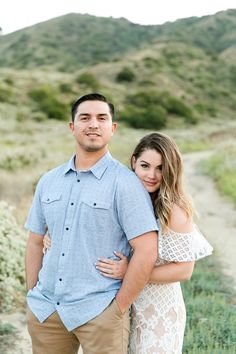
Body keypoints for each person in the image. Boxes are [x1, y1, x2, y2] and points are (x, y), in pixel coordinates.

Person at [24, 93, 159, 354]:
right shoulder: (48, 181)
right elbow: (35, 241)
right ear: (72, 127)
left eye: (102, 118)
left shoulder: (126, 184)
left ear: (113, 128)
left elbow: (147, 250)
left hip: (100, 311)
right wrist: (33, 294)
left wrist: (119, 307)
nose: (93, 124)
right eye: (84, 118)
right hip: (47, 310)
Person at [86, 133, 213, 353]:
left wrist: (131, 271)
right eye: (145, 165)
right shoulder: (123, 199)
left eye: (161, 168)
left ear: (171, 170)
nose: (152, 175)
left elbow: (184, 270)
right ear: (134, 161)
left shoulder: (173, 210)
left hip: (159, 313)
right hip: (125, 306)